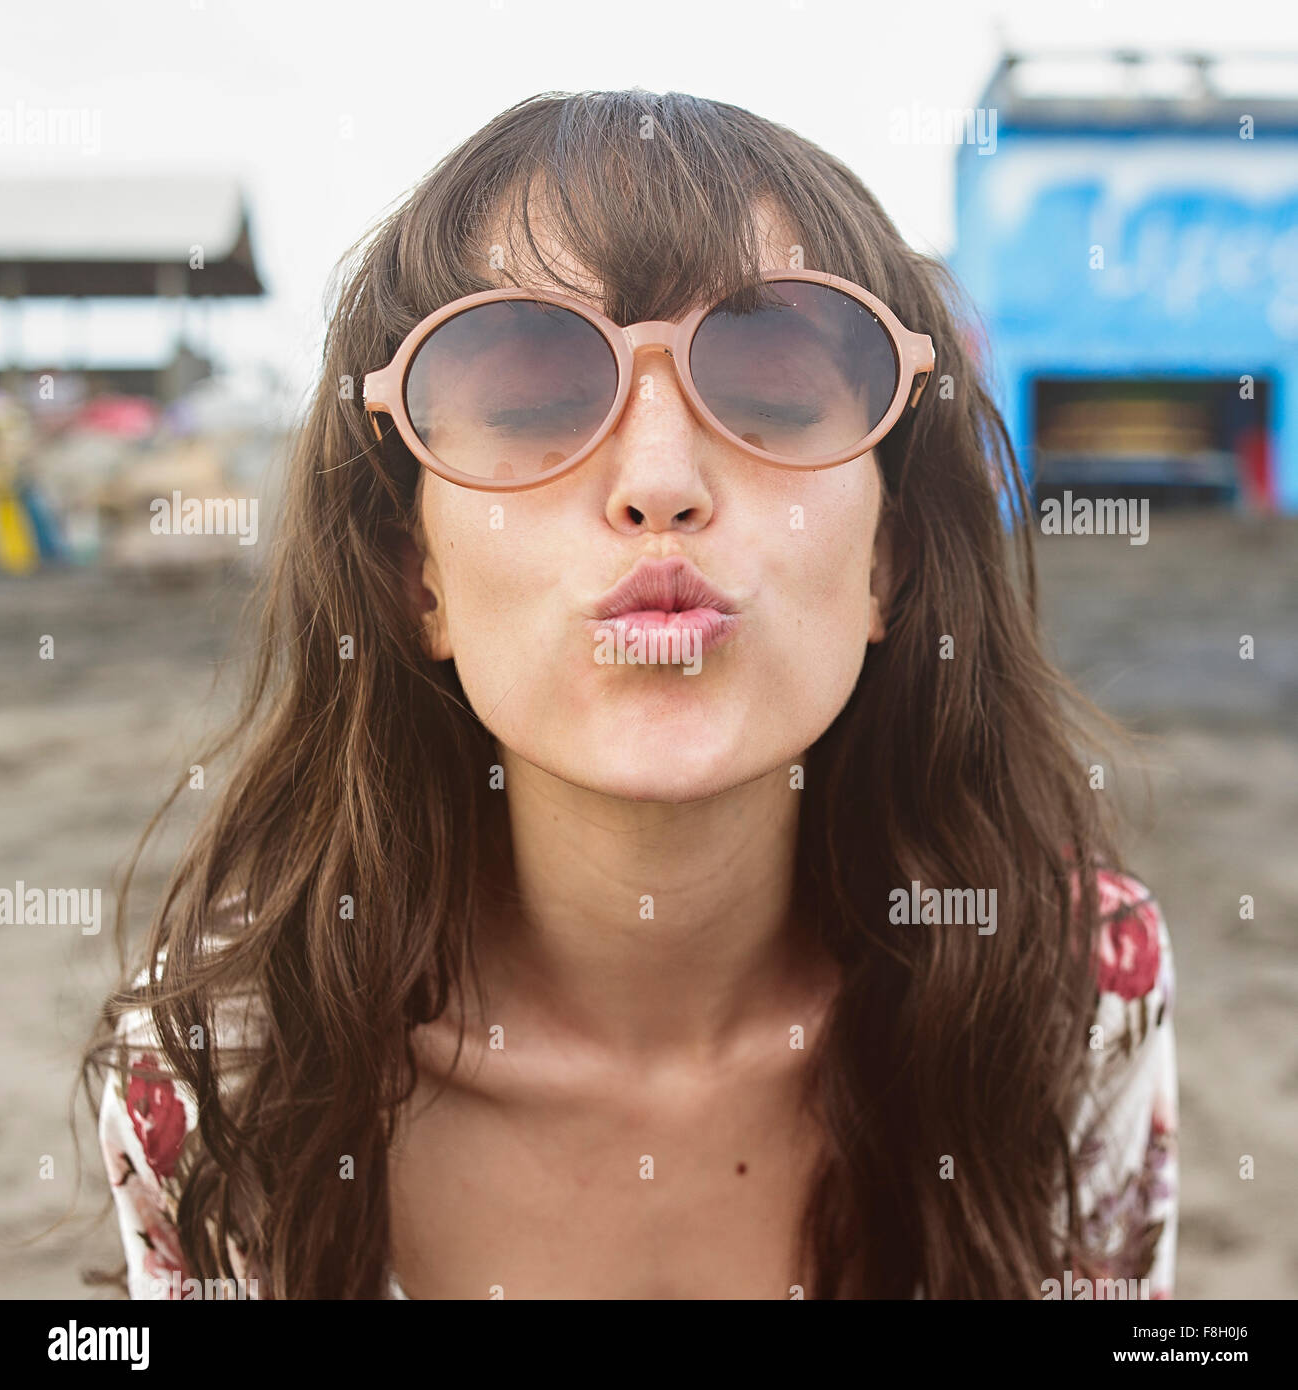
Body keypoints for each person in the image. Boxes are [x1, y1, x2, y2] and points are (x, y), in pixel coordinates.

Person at [83, 88, 1177, 1300]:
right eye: (536, 400)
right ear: (418, 574)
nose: (660, 480)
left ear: (888, 559)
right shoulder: (226, 1069)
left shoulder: (1064, 996)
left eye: (768, 391)